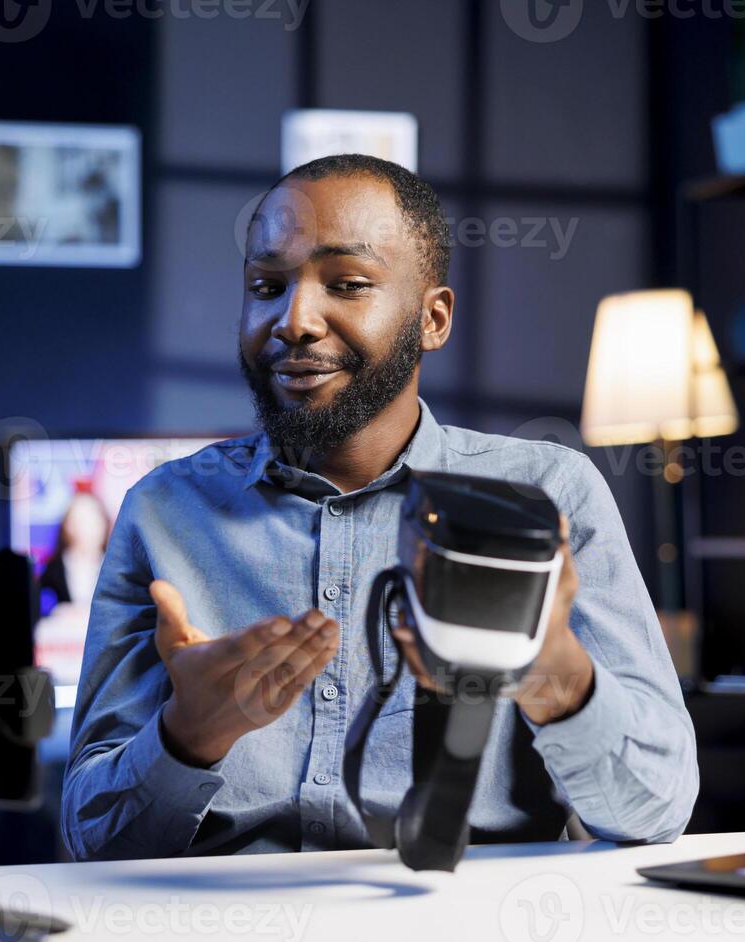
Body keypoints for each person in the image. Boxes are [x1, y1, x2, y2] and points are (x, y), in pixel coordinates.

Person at [62, 154, 697, 860]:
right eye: (266, 286)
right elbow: (93, 841)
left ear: (432, 317)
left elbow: (656, 810)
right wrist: (189, 734)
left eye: (348, 284)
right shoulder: (163, 510)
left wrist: (553, 673)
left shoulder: (548, 497)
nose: (295, 319)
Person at [37, 490, 110, 618]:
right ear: (66, 527)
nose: (85, 528)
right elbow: (38, 609)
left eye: (91, 520)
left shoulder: (116, 568)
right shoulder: (53, 569)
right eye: (79, 521)